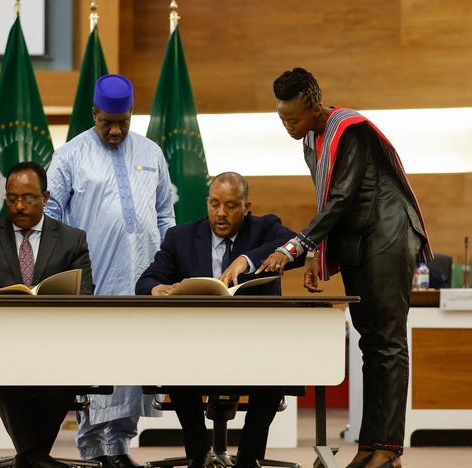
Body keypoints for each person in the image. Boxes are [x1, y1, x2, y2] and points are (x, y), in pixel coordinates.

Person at [224, 67, 432, 468]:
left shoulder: (350, 129)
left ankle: (389, 449)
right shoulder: (312, 140)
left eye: (294, 118)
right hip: (358, 241)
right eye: (282, 118)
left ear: (315, 106)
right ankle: (371, 445)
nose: (288, 126)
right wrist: (316, 255)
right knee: (370, 344)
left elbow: (341, 199)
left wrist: (297, 246)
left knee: (388, 342)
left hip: (387, 234)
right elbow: (329, 207)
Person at [45, 74, 175, 468]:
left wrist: (171, 265)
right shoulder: (69, 156)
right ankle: (91, 448)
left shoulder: (151, 152)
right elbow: (51, 218)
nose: (116, 130)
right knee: (97, 363)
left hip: (145, 278)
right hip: (95, 280)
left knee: (133, 361)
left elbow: (166, 213)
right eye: (107, 123)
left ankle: (118, 447)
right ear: (94, 114)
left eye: (124, 121)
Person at [136, 172, 302, 468]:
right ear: (206, 203)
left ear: (246, 206)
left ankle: (248, 459)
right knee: (176, 365)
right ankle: (199, 455)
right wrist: (155, 287)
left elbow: (295, 244)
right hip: (198, 346)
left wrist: (247, 260)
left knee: (275, 370)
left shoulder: (265, 229)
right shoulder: (181, 237)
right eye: (214, 204)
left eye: (231, 206)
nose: (221, 213)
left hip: (254, 347)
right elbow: (147, 279)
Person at [0, 161, 93, 468]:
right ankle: (36, 459)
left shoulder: (71, 239)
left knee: (65, 370)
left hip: (55, 345)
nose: (19, 206)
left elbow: (85, 293)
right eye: (12, 199)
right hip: (1, 346)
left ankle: (29, 458)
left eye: (28, 198)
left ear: (46, 197)